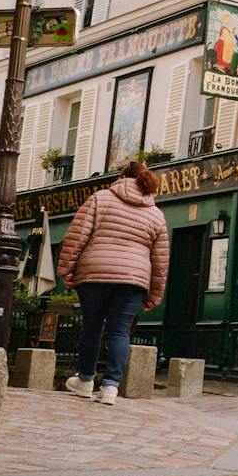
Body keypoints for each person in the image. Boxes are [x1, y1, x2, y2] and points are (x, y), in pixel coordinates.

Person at [56, 162, 169, 406]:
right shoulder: (156, 214)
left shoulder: (100, 199)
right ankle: (110, 388)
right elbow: (160, 261)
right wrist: (154, 294)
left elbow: (77, 236)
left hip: (95, 273)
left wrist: (66, 269)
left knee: (92, 327)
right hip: (133, 279)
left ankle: (85, 381)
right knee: (120, 331)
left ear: (122, 177)